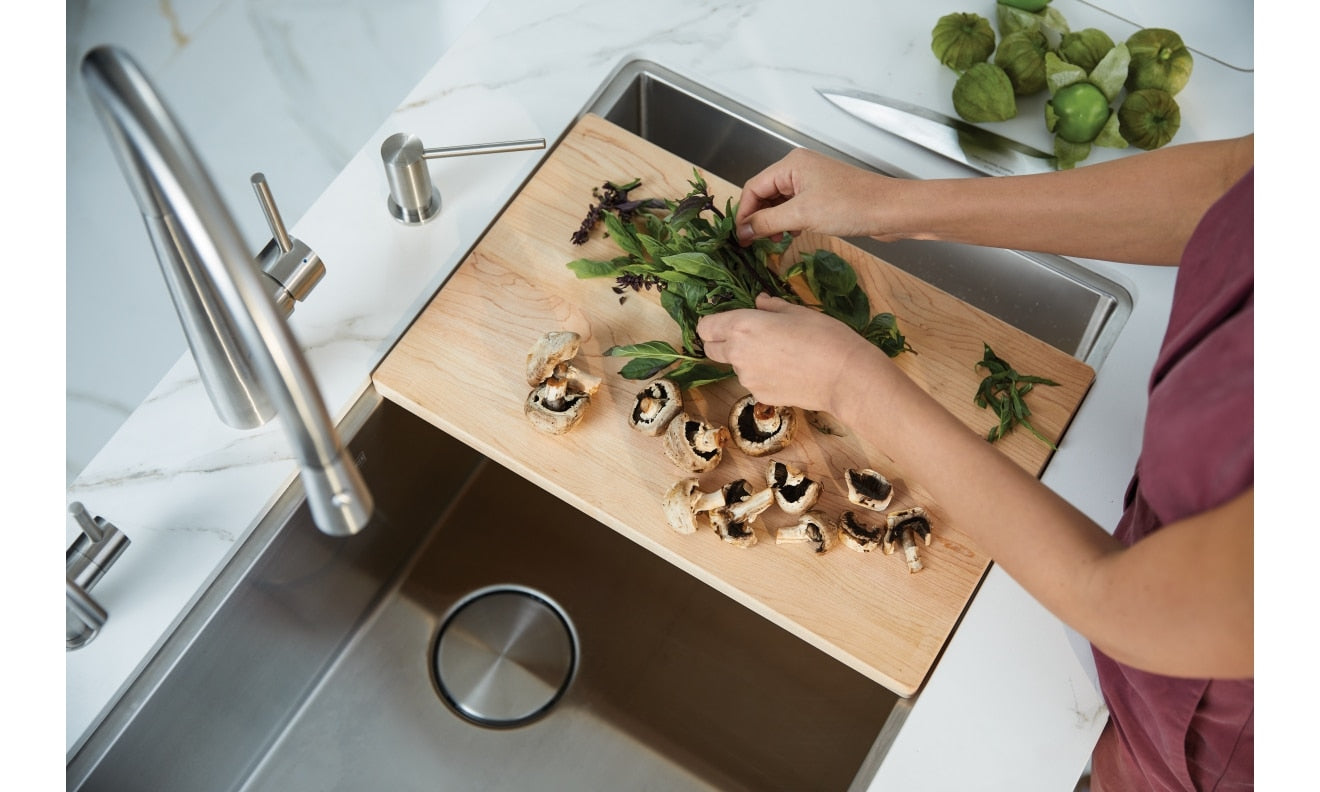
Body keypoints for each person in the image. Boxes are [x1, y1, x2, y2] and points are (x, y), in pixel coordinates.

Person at [696, 136, 1254, 791]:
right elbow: (1233, 184)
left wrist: (852, 384)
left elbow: (1129, 606)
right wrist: (893, 206)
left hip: (1208, 735)